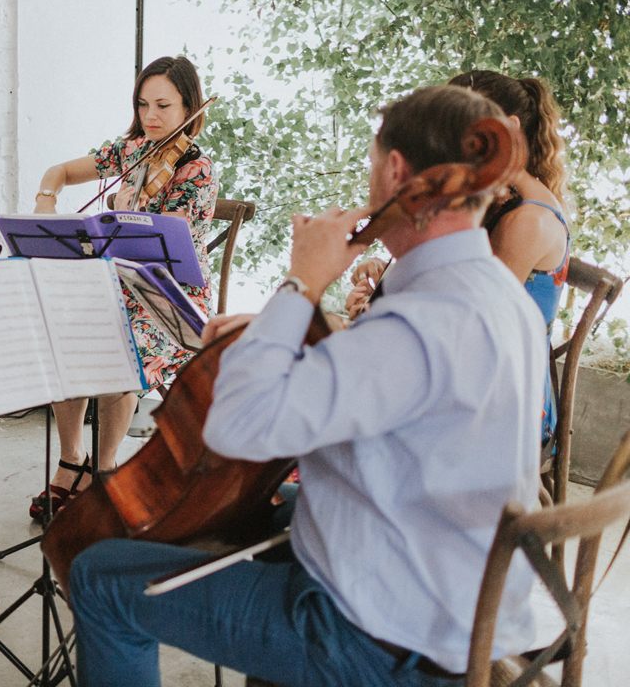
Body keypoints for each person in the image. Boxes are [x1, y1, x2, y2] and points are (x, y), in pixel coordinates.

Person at [66, 85, 545, 686]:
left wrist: (301, 284)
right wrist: (283, 327)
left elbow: (239, 425)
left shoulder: (417, 324)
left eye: (373, 167)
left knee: (100, 575)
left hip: (378, 641)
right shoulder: (498, 294)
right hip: (452, 579)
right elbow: (396, 384)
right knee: (253, 507)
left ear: (396, 170)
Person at [29, 56, 216, 518]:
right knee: (62, 335)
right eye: (143, 104)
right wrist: (45, 201)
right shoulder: (131, 149)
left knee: (121, 346)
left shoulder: (198, 170)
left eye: (164, 106)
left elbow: (166, 239)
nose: (151, 116)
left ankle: (106, 469)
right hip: (115, 279)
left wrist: (128, 208)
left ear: (189, 107)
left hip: (167, 292)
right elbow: (59, 171)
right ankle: (72, 459)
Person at [347, 70, 568, 445]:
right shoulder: (490, 197)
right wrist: (385, 278)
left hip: (502, 403)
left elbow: (464, 328)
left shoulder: (527, 221)